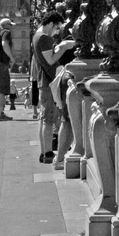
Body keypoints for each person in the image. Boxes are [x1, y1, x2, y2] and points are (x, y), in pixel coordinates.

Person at [32, 11, 76, 163]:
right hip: (48, 81)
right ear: (50, 24)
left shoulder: (37, 36)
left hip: (43, 81)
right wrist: (63, 47)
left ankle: (44, 152)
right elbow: (50, 60)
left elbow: (47, 56)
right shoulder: (43, 37)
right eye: (57, 28)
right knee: (49, 120)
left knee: (44, 119)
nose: (57, 32)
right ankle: (49, 154)